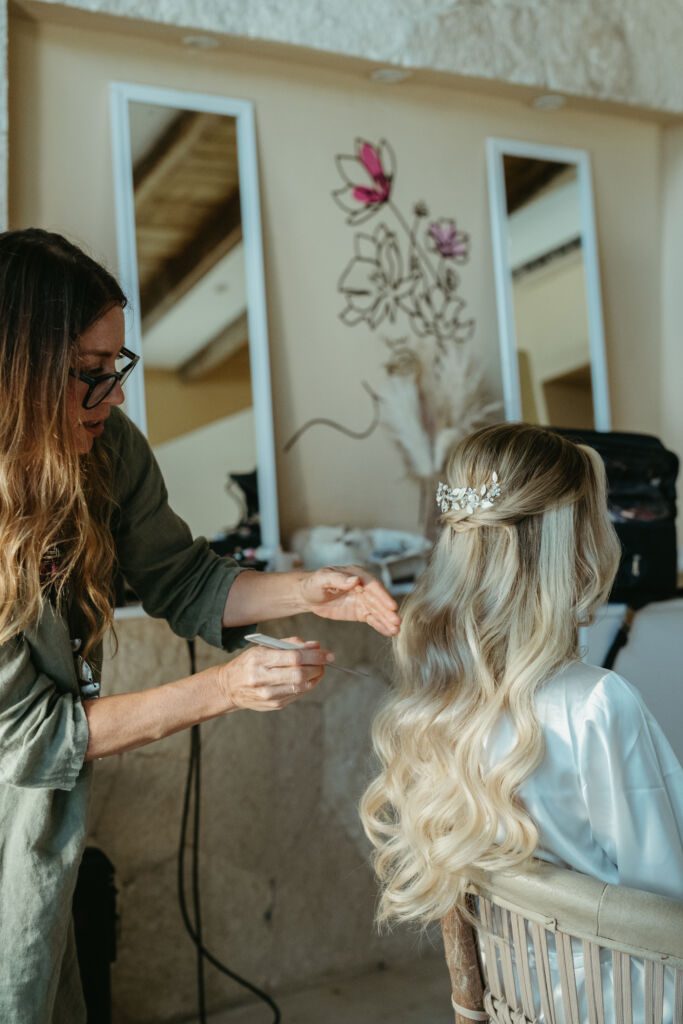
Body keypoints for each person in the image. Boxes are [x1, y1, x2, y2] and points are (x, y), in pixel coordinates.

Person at [0, 227, 401, 1024]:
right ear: (15, 372)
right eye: (87, 374)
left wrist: (304, 590)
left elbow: (181, 577)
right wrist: (223, 689)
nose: (113, 396)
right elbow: (32, 736)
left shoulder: (105, 450)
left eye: (116, 369)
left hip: (40, 819)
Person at [360, 423, 683, 1018]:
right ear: (573, 542)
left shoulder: (443, 701)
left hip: (531, 997)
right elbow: (668, 907)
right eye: (601, 515)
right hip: (634, 1002)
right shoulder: (597, 705)